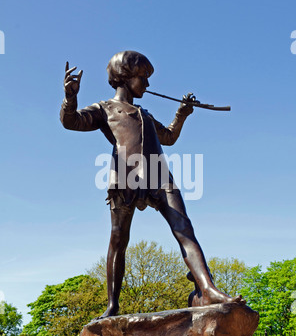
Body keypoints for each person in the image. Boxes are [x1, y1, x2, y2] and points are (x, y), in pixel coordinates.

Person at [60, 50, 245, 318]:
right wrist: (70, 97)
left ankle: (208, 289)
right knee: (118, 239)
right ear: (124, 77)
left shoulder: (145, 114)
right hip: (125, 176)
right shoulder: (105, 109)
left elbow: (168, 137)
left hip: (159, 175)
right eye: (142, 77)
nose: (147, 84)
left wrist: (182, 114)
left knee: (184, 228)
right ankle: (112, 305)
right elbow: (72, 121)